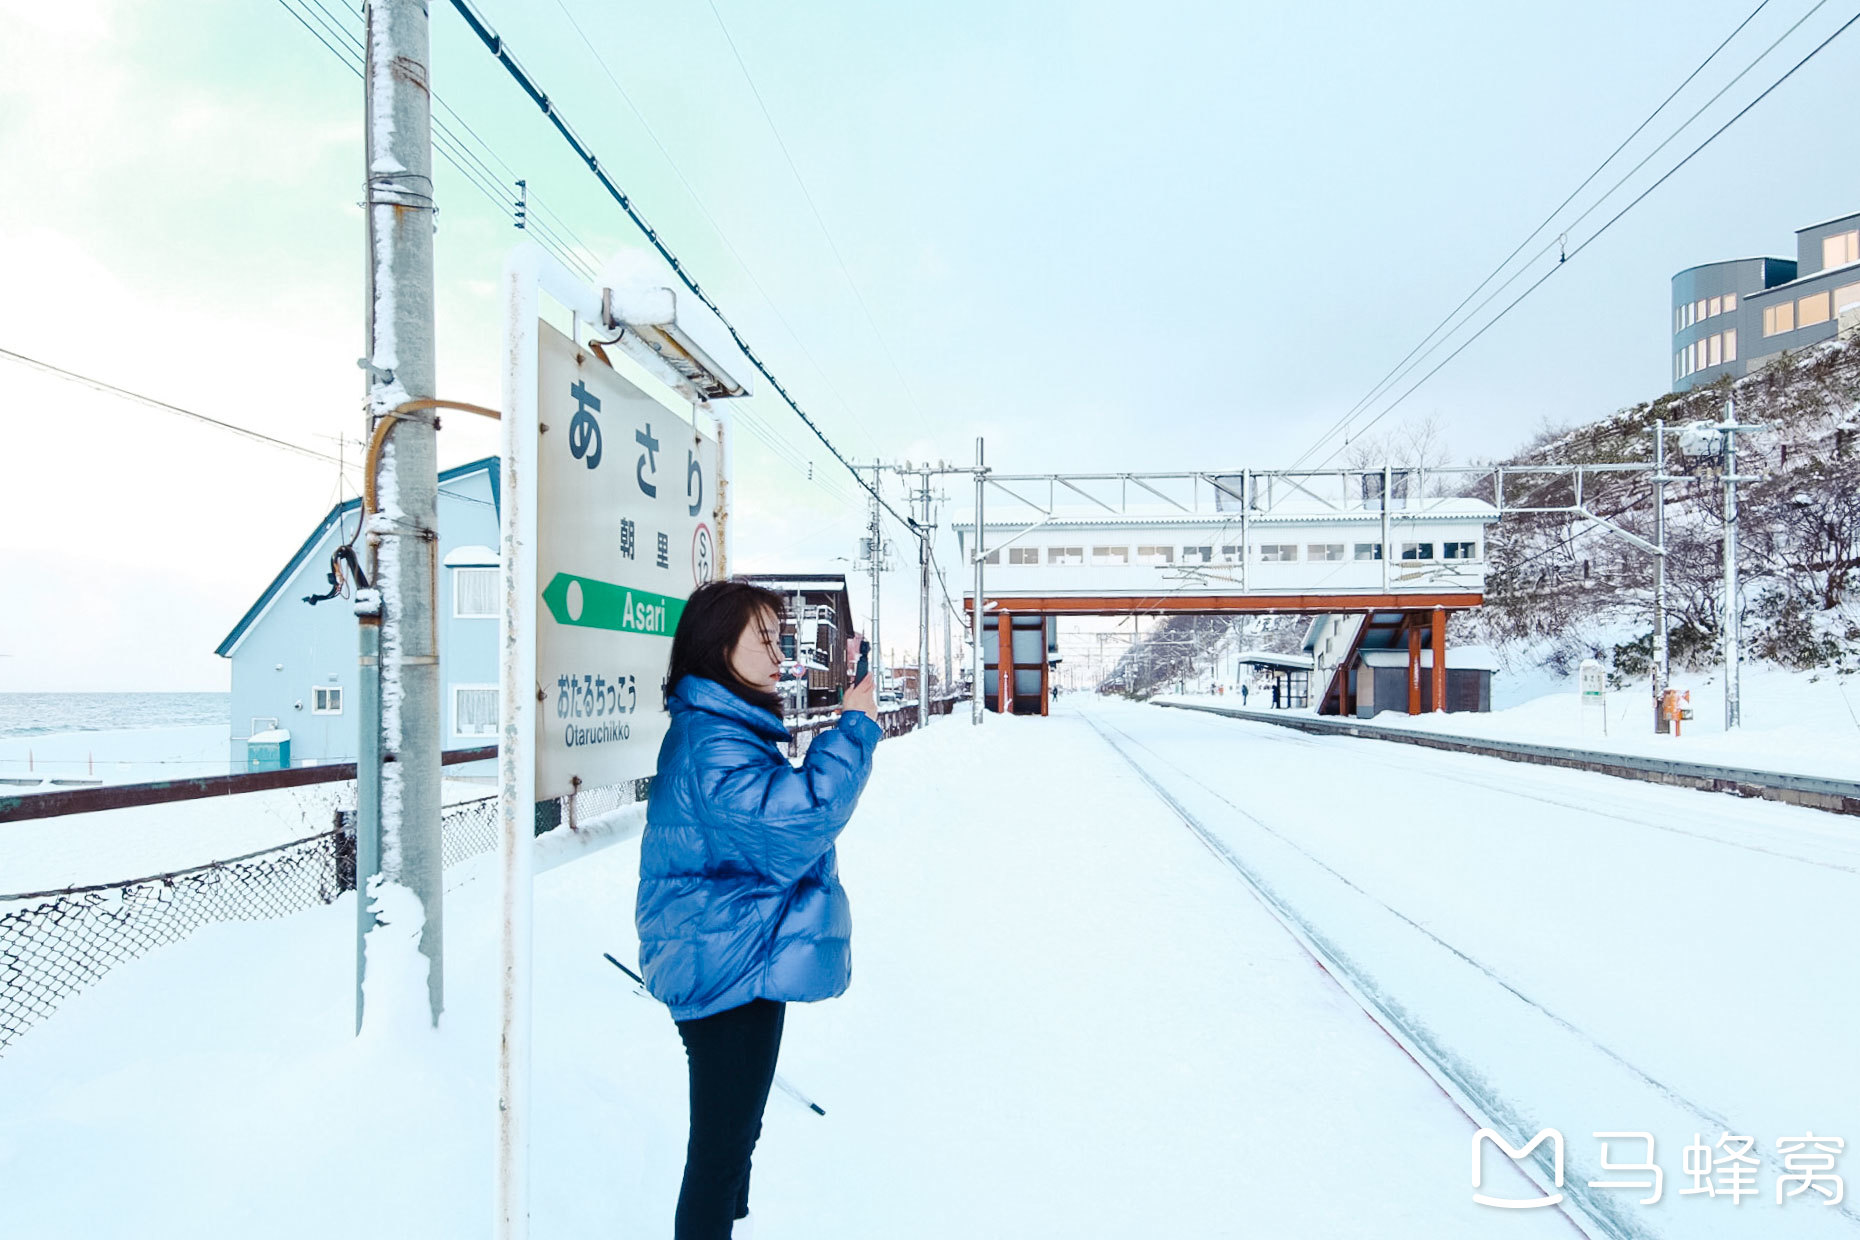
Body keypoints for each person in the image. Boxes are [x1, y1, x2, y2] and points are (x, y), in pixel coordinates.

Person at [636, 580, 881, 1240]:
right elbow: (796, 820)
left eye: (782, 639)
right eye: (764, 639)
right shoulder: (713, 742)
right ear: (720, 648)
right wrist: (855, 729)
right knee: (718, 1160)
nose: (780, 653)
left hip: (737, 955)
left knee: (733, 1148)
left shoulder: (723, 729)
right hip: (723, 969)